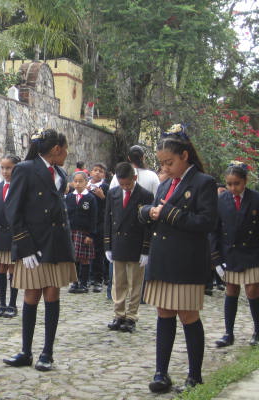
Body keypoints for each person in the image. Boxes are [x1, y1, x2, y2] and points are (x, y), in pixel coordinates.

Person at [139, 124, 218, 393]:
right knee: (164, 313)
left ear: (184, 156)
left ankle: (194, 376)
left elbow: (206, 222)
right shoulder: (167, 183)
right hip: (162, 259)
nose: (165, 168)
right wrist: (148, 212)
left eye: (169, 162)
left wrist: (168, 214)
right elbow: (157, 209)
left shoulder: (203, 183)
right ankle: (161, 372)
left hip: (186, 260)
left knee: (187, 315)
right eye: (162, 163)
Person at [2, 129, 77, 372]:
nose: (67, 153)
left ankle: (47, 352)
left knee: (52, 296)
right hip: (33, 244)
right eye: (65, 149)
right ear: (56, 149)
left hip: (56, 243)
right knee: (31, 296)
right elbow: (13, 209)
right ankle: (26, 351)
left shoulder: (61, 172)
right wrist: (24, 245)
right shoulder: (25, 168)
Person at [211, 162, 259, 348]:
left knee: (252, 290)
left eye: (236, 183)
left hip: (252, 252)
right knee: (231, 290)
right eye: (229, 184)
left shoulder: (255, 199)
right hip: (229, 252)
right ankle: (228, 333)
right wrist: (216, 258)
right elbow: (214, 230)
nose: (233, 188)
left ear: (245, 181)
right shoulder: (221, 200)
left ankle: (257, 330)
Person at [104, 162, 154, 333]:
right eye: (122, 184)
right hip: (118, 242)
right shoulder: (113, 193)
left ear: (135, 178)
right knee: (118, 282)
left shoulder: (145, 195)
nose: (125, 187)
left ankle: (132, 315)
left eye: (128, 184)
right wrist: (107, 245)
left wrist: (146, 249)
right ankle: (119, 313)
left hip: (136, 243)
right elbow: (108, 220)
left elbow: (148, 224)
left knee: (135, 283)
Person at [0, 154, 21, 318]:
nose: (5, 171)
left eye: (9, 168)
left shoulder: (21, 188)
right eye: (2, 168)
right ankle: (2, 303)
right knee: (1, 267)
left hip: (15, 234)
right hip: (0, 235)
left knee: (13, 269)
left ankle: (13, 304)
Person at [65, 171, 98, 294]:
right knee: (73, 258)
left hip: (84, 232)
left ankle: (84, 283)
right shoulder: (69, 197)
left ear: (86, 182)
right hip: (71, 232)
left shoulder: (90, 198)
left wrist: (91, 235)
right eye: (76, 181)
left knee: (84, 258)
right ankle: (75, 282)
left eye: (81, 181)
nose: (78, 184)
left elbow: (93, 217)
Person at [88, 163, 109, 292]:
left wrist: (103, 197)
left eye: (100, 171)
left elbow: (109, 206)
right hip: (87, 223)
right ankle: (86, 277)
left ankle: (98, 279)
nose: (97, 173)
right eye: (95, 170)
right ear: (90, 172)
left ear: (104, 175)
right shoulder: (85, 185)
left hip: (100, 223)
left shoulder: (105, 187)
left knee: (99, 252)